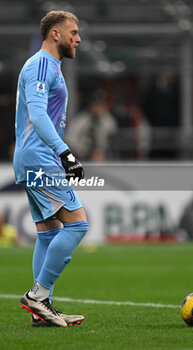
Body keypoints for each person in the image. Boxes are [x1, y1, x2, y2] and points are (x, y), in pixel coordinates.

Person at [13, 11, 88, 327]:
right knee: (77, 225)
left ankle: (40, 312)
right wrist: (65, 153)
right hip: (40, 157)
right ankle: (37, 296)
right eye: (73, 32)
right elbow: (39, 116)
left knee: (49, 232)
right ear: (55, 34)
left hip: (33, 156)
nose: (78, 38)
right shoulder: (41, 64)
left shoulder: (47, 66)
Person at [66, 91, 118, 161]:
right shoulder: (80, 119)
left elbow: (113, 138)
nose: (98, 108)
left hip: (104, 157)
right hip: (82, 156)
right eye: (96, 104)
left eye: (100, 104)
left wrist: (101, 151)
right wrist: (84, 151)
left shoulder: (108, 120)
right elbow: (69, 139)